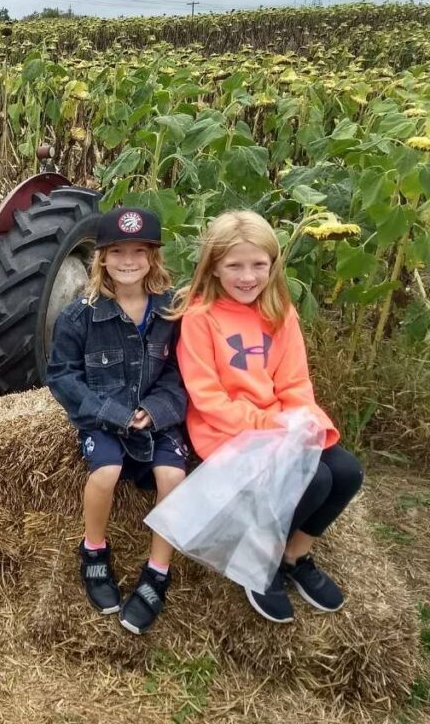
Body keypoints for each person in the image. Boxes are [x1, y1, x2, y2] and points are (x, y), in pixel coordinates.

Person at [172, 210, 363, 623]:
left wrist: (307, 421)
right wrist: (267, 426)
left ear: (273, 265)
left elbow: (294, 381)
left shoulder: (280, 311)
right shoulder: (200, 317)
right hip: (227, 432)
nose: (247, 276)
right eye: (234, 265)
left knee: (346, 472)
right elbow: (208, 397)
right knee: (317, 478)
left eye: (259, 264)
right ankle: (260, 558)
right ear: (214, 266)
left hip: (277, 424)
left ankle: (295, 555)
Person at [46, 207, 188, 635]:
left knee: (172, 476)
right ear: (102, 258)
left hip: (155, 416)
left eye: (139, 251)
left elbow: (182, 373)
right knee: (106, 471)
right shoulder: (80, 315)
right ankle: (93, 550)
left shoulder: (171, 313)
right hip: (103, 417)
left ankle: (157, 571)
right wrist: (111, 413)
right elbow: (62, 376)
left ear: (153, 258)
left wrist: (158, 410)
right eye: (118, 251)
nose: (128, 261)